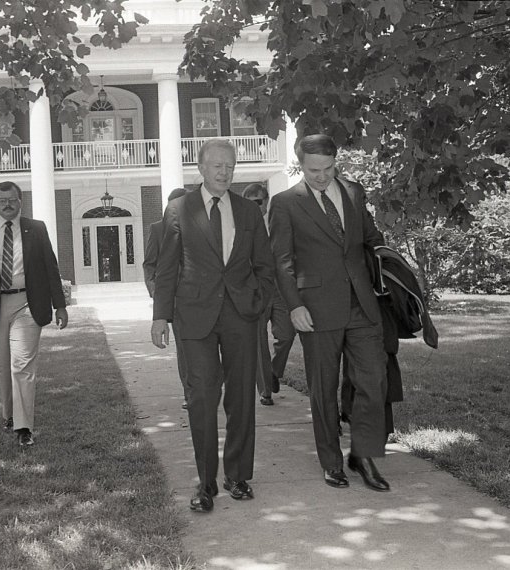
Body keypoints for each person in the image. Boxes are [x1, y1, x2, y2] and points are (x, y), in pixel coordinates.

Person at [151, 139, 274, 512]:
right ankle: (205, 483)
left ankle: (237, 475)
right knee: (201, 398)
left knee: (240, 397)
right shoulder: (179, 210)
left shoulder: (248, 212)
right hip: (194, 317)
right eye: (217, 166)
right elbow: (167, 268)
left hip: (240, 315)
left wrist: (258, 302)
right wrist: (160, 316)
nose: (224, 172)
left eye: (230, 166)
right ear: (200, 168)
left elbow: (265, 266)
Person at [268, 134, 390, 491]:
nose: (322, 176)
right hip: (315, 309)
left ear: (337, 162)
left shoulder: (353, 192)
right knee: (323, 389)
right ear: (300, 165)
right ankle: (332, 462)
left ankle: (364, 455)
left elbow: (371, 237)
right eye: (313, 170)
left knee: (374, 381)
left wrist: (392, 267)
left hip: (362, 304)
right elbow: (282, 261)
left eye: (328, 168)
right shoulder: (285, 203)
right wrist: (294, 305)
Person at [0, 181, 69, 448]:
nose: (7, 205)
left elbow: (50, 269)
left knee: (22, 365)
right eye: (2, 200)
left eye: (12, 200)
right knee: (2, 367)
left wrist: (60, 305)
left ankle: (24, 427)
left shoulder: (37, 229)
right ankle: (9, 415)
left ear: (20, 201)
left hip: (27, 305)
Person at [241, 183, 297, 406]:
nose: (255, 206)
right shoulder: (240, 225)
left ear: (266, 201)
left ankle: (275, 370)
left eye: (259, 202)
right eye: (250, 202)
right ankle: (265, 391)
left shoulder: (278, 221)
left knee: (287, 335)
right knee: (259, 343)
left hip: (280, 289)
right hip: (255, 291)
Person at [143, 187, 189, 409]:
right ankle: (190, 393)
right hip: (176, 300)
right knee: (185, 349)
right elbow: (150, 265)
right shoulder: (158, 229)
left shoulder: (205, 224)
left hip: (205, 298)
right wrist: (158, 294)